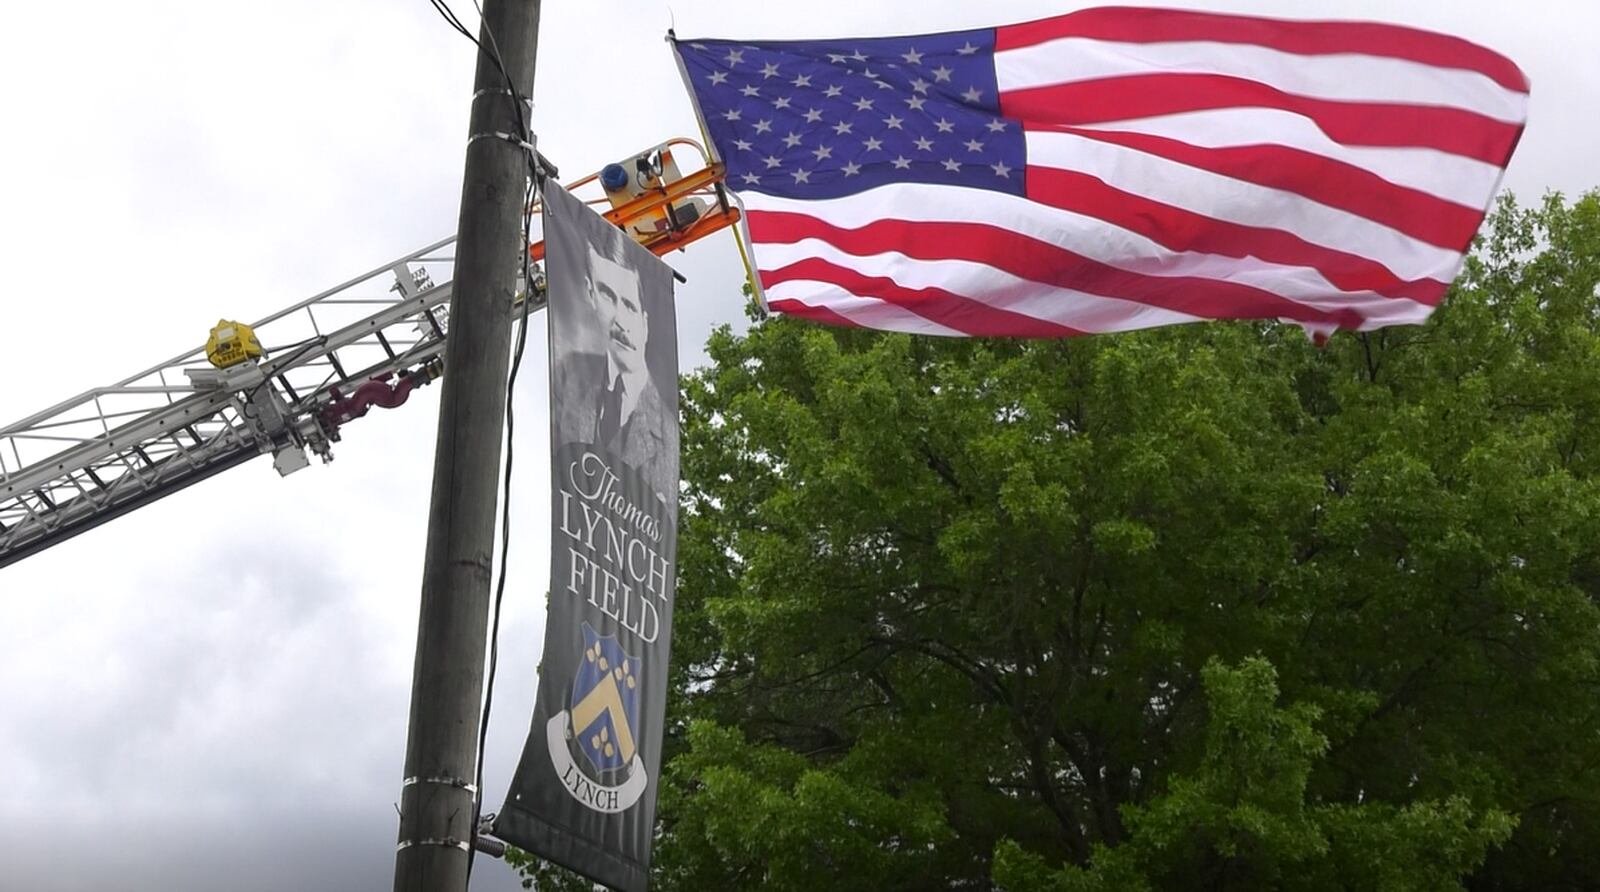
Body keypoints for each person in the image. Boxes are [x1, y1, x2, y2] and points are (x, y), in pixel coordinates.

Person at [552, 221, 677, 503]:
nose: (620, 320)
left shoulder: (667, 433)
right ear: (590, 294)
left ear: (646, 322)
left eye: (630, 306)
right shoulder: (568, 373)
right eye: (607, 295)